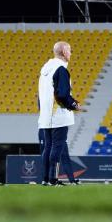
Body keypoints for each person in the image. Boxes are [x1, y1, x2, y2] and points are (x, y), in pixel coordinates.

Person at [38, 41, 82, 186]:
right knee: (57, 146)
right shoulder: (61, 69)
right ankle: (53, 179)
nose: (71, 53)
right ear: (63, 52)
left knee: (48, 147)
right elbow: (62, 94)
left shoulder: (46, 68)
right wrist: (74, 104)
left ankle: (45, 179)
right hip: (58, 114)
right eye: (69, 50)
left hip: (46, 115)